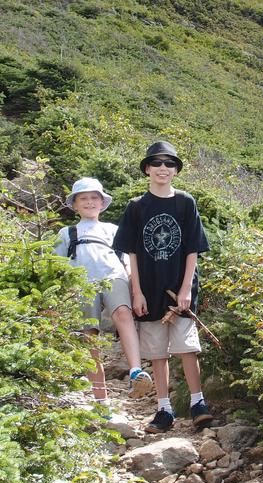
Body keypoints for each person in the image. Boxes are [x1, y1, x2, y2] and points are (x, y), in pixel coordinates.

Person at [113, 141, 213, 433]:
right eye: (156, 163)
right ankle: (164, 409)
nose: (163, 168)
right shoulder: (136, 207)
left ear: (176, 171)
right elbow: (130, 252)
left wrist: (186, 288)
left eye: (169, 164)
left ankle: (198, 403)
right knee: (157, 351)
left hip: (178, 288)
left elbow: (193, 248)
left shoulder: (185, 202)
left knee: (187, 347)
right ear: (147, 168)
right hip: (149, 287)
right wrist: (137, 291)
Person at [55, 177, 152, 408]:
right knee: (89, 334)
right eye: (84, 198)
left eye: (94, 198)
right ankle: (101, 398)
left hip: (112, 274)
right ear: (75, 204)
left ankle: (136, 371)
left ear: (102, 203)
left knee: (123, 315)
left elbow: (128, 260)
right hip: (81, 280)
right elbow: (57, 264)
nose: (89, 202)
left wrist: (134, 286)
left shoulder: (113, 229)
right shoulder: (67, 233)